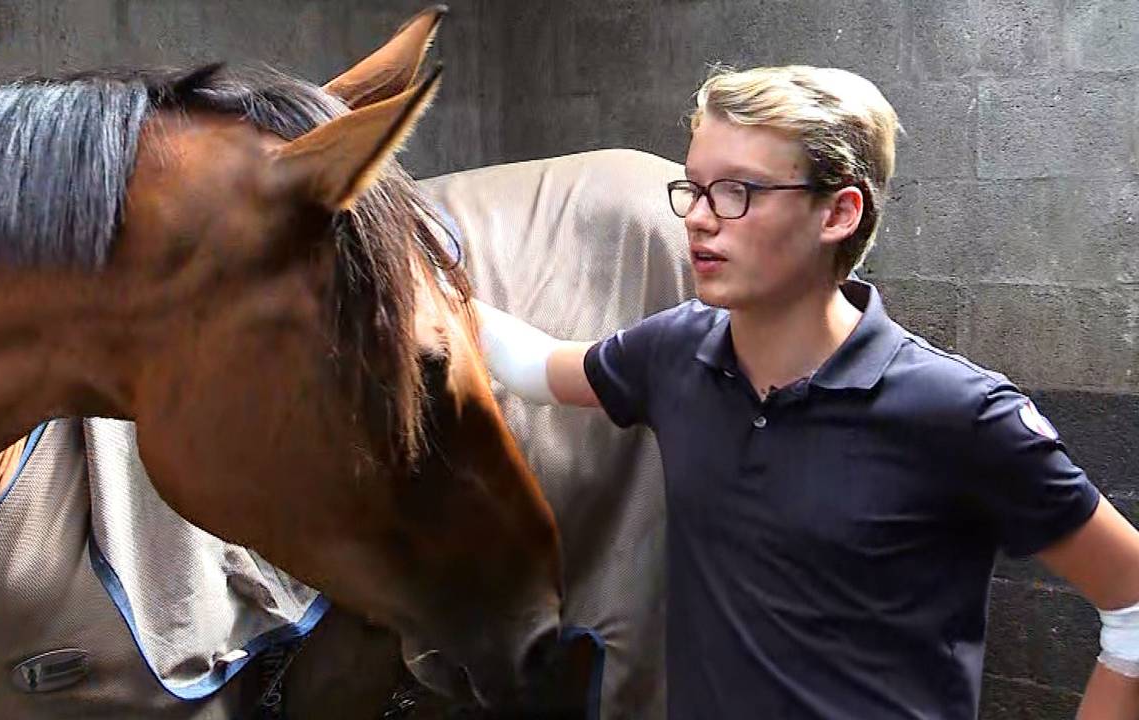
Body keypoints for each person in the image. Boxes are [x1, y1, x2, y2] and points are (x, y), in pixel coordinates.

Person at [473, 64, 1139, 719]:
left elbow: (1132, 598)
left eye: (737, 192)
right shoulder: (674, 353)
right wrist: (409, 263)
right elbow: (535, 368)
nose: (700, 219)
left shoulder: (957, 411)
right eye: (694, 190)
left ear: (838, 212)